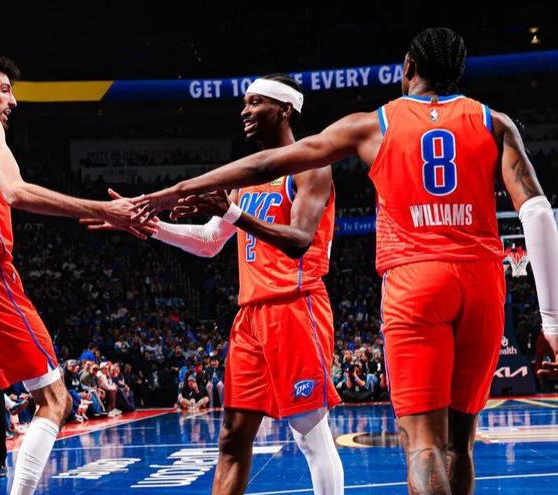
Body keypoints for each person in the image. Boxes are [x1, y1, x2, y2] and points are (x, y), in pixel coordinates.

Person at [138, 27, 558, 495]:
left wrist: (174, 191)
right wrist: (552, 323)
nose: (246, 111)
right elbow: (538, 213)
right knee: (461, 445)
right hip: (481, 279)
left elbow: (267, 167)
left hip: (408, 281)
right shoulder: (494, 122)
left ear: (408, 68)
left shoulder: (373, 124)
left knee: (423, 446)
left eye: (255, 102)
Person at [86, 73, 344, 495]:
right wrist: (151, 227)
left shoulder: (311, 165)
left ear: (284, 110)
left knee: (309, 434)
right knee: (232, 437)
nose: (245, 111)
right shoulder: (246, 177)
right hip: (250, 316)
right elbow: (210, 241)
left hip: (296, 307)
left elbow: (299, 240)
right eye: (244, 103)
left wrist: (233, 214)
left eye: (255, 102)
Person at [0, 55, 154, 495]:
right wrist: (105, 210)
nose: (12, 100)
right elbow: (16, 191)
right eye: (5, 89)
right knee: (55, 400)